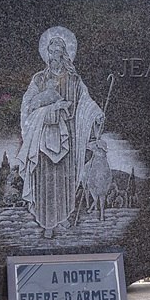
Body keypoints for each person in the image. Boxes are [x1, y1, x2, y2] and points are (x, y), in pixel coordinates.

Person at [16, 27, 104, 238]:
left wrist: (96, 113)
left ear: (64, 54)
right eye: (50, 51)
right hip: (44, 138)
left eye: (57, 52)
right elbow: (27, 106)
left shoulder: (74, 80)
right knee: (46, 181)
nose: (53, 56)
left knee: (65, 180)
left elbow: (85, 102)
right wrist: (49, 109)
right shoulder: (39, 79)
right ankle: (46, 223)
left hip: (69, 137)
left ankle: (63, 218)